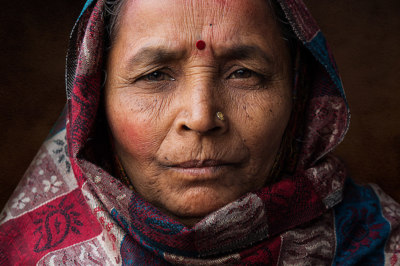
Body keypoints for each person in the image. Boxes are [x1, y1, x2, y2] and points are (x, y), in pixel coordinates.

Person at [0, 0, 399, 264]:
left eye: (244, 73)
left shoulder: (380, 245)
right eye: (154, 75)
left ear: (299, 94)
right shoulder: (22, 255)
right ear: (96, 100)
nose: (202, 116)